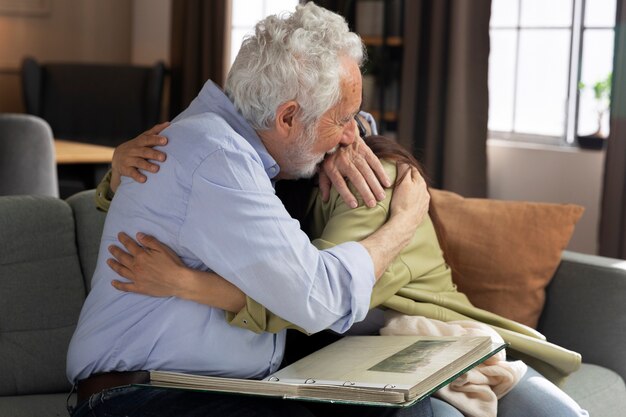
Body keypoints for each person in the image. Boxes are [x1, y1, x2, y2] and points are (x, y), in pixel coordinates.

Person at [66, 3, 433, 417]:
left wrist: (345, 136)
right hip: (139, 397)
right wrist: (404, 223)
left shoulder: (231, 140)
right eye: (344, 120)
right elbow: (321, 298)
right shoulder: (217, 158)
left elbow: (343, 124)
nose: (353, 134)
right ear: (288, 117)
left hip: (216, 391)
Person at [99, 131, 589, 417]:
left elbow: (316, 294)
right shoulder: (272, 181)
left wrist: (186, 284)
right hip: (355, 361)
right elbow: (182, 197)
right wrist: (117, 175)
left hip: (440, 344)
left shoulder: (373, 178)